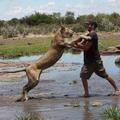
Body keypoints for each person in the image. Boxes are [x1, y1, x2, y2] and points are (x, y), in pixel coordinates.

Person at [73, 21, 120, 97]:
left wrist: (76, 44)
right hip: (94, 60)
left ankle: (87, 93)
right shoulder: (89, 35)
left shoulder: (93, 35)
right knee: (105, 75)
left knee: (83, 76)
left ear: (93, 26)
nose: (87, 26)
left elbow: (86, 47)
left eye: (88, 25)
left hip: (92, 61)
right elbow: (83, 44)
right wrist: (77, 43)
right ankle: (117, 89)